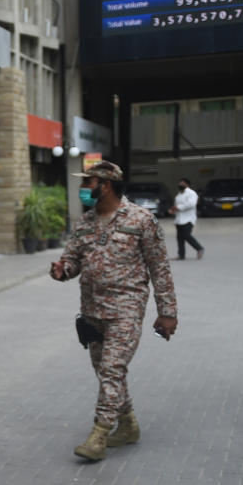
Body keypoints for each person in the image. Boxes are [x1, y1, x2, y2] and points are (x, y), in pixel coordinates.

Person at [49, 161, 178, 462]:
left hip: (126, 309)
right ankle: (129, 423)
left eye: (88, 183)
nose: (83, 189)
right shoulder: (84, 223)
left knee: (111, 369)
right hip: (92, 312)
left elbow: (160, 267)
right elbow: (72, 261)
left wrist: (167, 311)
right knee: (106, 372)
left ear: (104, 185)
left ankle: (99, 434)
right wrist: (62, 270)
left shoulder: (141, 219)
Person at [168, 177, 204, 260]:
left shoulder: (191, 193)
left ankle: (199, 248)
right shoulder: (179, 195)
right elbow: (176, 206)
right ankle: (181, 255)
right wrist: (173, 210)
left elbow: (191, 204)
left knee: (186, 235)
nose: (180, 185)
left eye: (182, 183)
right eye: (179, 183)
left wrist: (178, 207)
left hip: (188, 219)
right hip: (179, 219)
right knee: (180, 238)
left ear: (187, 185)